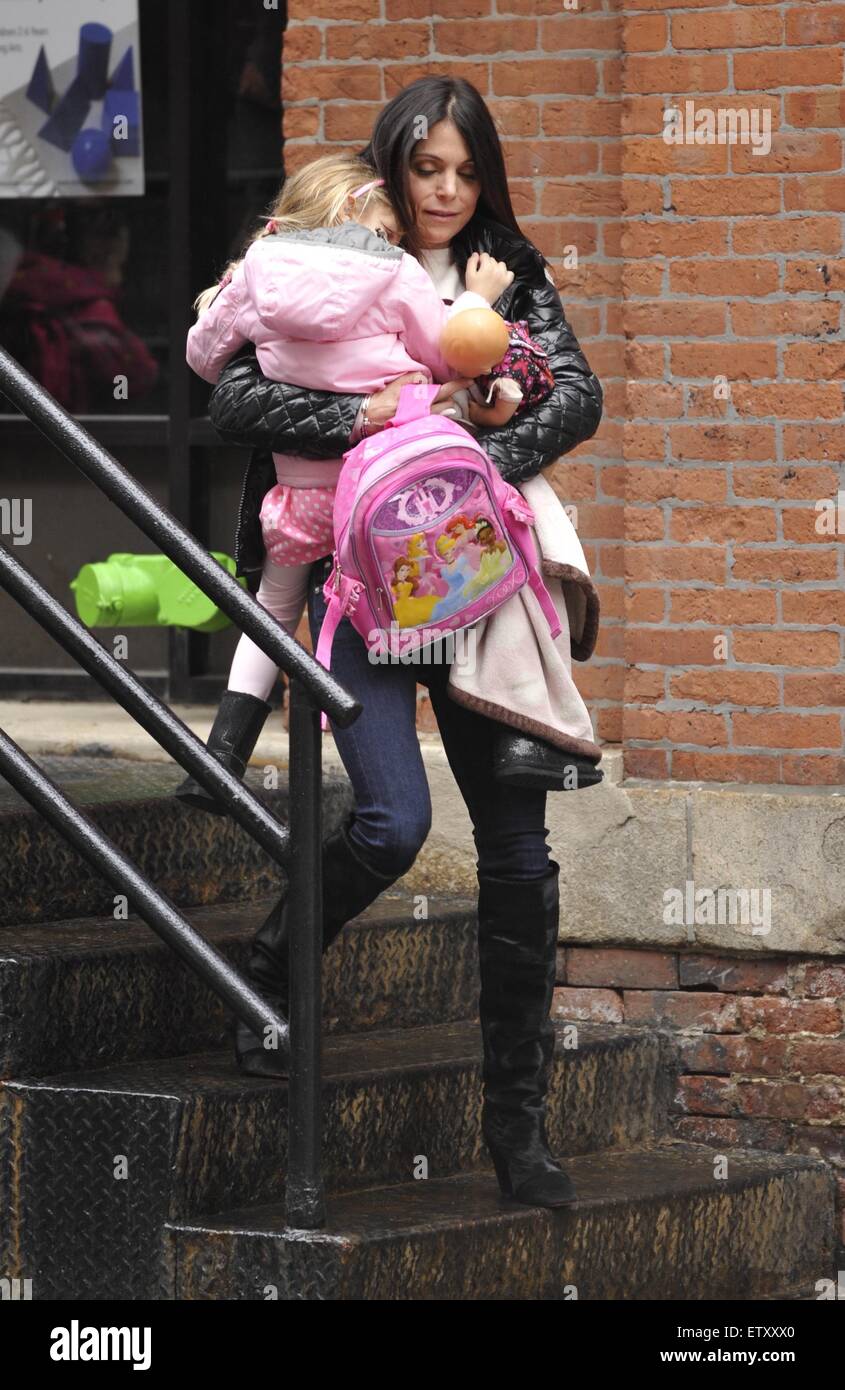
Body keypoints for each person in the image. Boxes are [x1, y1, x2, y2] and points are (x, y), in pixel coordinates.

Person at [204, 76, 604, 1209]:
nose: (446, 189)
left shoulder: (508, 272)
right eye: (426, 167)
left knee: (517, 859)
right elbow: (232, 396)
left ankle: (516, 1132)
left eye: (465, 170)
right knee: (388, 820)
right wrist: (373, 432)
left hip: (475, 596)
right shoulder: (320, 252)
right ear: (392, 169)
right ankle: (273, 962)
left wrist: (467, 475)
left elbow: (575, 395)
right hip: (354, 589)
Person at [174, 151, 513, 814]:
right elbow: (445, 350)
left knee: (272, 608)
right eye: (386, 227)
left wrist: (226, 301)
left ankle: (220, 757)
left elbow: (204, 360)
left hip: (298, 498)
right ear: (357, 213)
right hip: (385, 491)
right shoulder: (397, 272)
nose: (389, 240)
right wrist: (473, 302)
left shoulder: (256, 274)